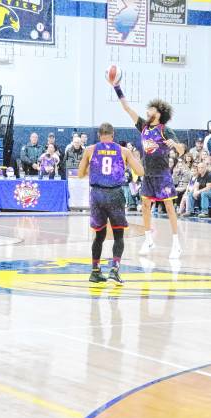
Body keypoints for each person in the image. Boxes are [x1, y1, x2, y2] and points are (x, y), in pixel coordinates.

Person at [110, 80, 185, 259]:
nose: (147, 111)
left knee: (169, 207)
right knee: (145, 206)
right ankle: (148, 239)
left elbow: (182, 150)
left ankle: (176, 244)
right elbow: (127, 108)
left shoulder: (165, 130)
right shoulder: (143, 126)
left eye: (151, 109)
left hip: (162, 174)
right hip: (148, 174)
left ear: (159, 113)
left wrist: (175, 145)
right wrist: (116, 86)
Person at [78, 122, 144, 285]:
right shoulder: (123, 151)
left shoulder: (90, 150)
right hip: (115, 194)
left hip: (97, 195)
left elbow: (80, 174)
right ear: (113, 135)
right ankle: (114, 270)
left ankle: (95, 271)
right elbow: (141, 172)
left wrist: (95, 170)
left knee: (99, 235)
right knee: (118, 234)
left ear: (99, 135)